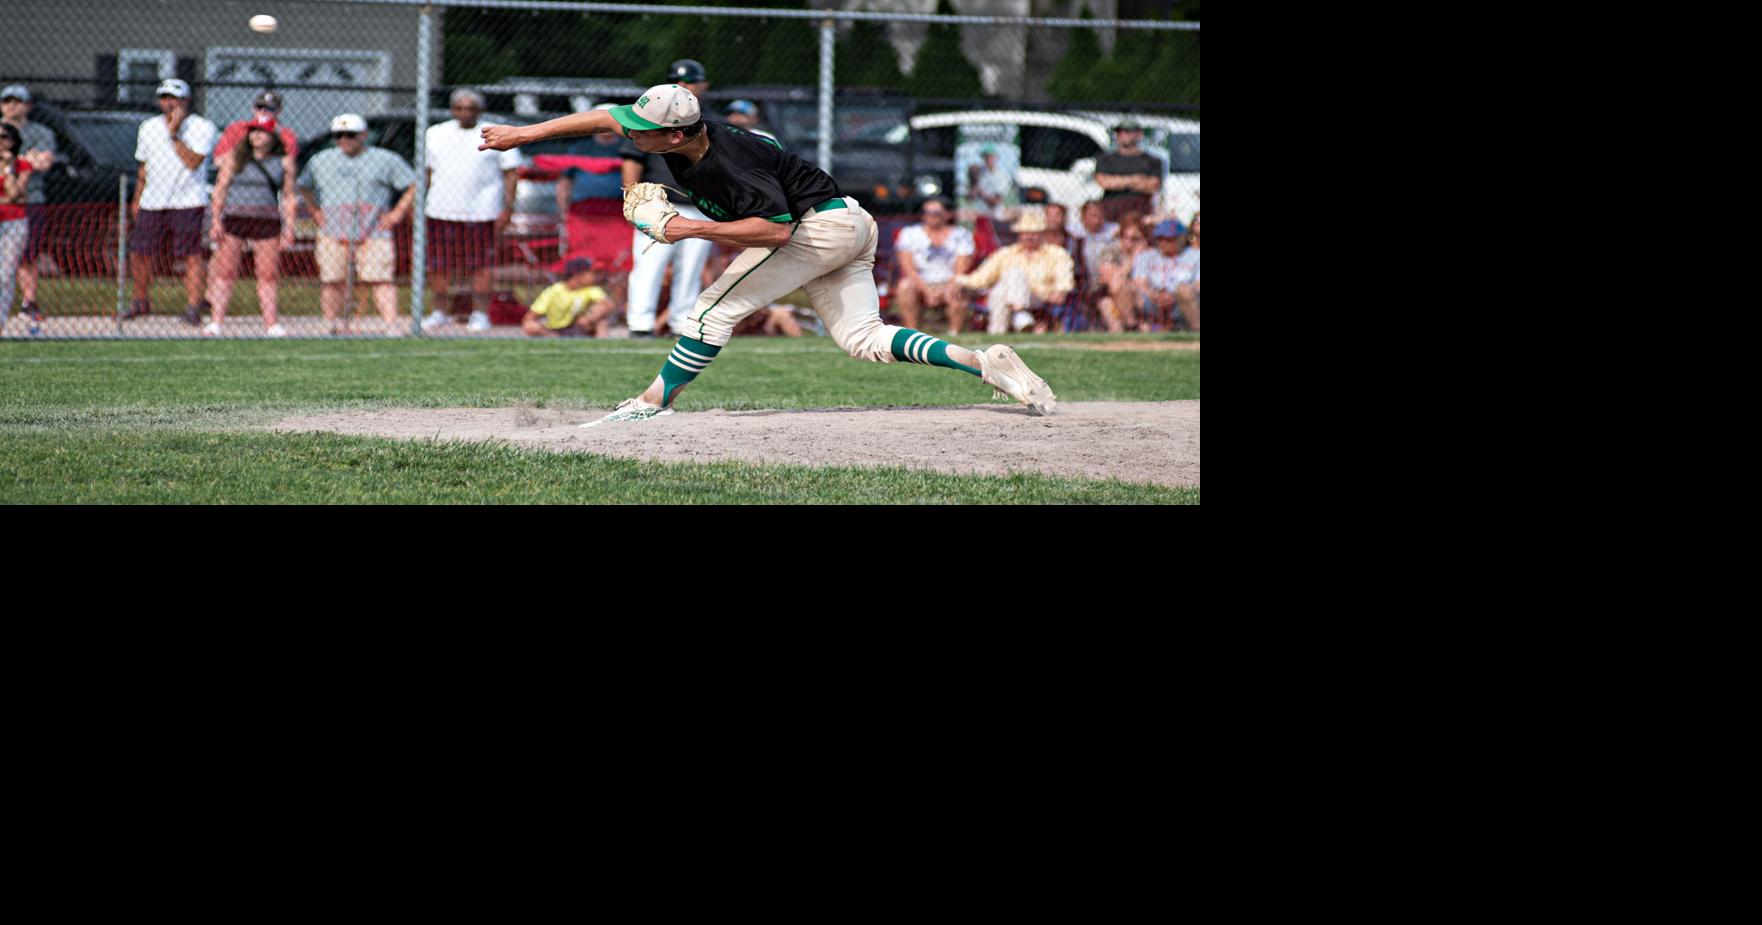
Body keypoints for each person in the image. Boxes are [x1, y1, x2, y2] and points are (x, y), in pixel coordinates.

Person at [477, 83, 1056, 424]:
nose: (631, 134)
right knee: (864, 339)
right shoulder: (693, 132)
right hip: (848, 221)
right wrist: (524, 135)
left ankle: (652, 403)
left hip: (814, 228)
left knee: (710, 311)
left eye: (643, 130)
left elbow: (775, 230)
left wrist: (684, 229)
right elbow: (606, 117)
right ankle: (984, 363)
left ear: (677, 135)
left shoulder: (729, 162)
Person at [620, 67, 717, 338]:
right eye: (678, 81)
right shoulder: (647, 116)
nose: (684, 85)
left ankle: (681, 323)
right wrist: (633, 198)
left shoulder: (707, 119)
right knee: (649, 264)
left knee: (691, 270)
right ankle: (640, 323)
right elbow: (632, 159)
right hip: (657, 205)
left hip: (699, 205)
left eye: (690, 81)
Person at [297, 113, 417, 334]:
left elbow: (413, 185)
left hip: (374, 229)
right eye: (338, 135)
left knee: (380, 278)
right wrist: (314, 211)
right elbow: (303, 186)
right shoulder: (321, 160)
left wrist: (397, 213)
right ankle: (330, 323)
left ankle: (391, 325)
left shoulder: (385, 159)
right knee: (332, 279)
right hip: (332, 229)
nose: (344, 140)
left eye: (350, 135)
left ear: (364, 135)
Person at [422, 88, 520, 332]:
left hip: (482, 212)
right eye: (460, 108)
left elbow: (510, 174)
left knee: (481, 265)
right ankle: (440, 312)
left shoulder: (495, 132)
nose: (464, 113)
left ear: (479, 110)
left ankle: (480, 314)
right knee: (439, 265)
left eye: (470, 108)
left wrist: (508, 208)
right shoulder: (435, 133)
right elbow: (427, 172)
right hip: (441, 210)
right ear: (453, 110)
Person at [126, 79, 217, 326]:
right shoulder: (148, 127)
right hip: (153, 201)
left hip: (188, 201)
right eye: (164, 97)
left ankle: (193, 305)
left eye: (174, 98)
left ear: (186, 101)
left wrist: (174, 134)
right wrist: (137, 198)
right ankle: (140, 300)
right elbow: (143, 167)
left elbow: (193, 161)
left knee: (190, 255)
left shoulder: (202, 127)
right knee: (140, 252)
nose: (169, 103)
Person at [205, 112, 297, 336]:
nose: (257, 136)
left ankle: (271, 323)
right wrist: (216, 220)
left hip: (266, 221)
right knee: (226, 271)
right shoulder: (234, 158)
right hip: (236, 219)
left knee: (267, 274)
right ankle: (216, 321)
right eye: (254, 131)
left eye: (263, 132)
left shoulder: (283, 163)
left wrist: (289, 227)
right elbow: (220, 190)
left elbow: (288, 197)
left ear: (273, 136)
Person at [953, 209, 1074, 335]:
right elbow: (982, 277)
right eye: (1025, 232)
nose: (1029, 236)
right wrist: (957, 280)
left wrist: (1061, 290)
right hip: (1005, 298)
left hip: (1040, 297)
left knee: (1013, 275)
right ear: (1019, 234)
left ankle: (1001, 329)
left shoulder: (1056, 253)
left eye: (1034, 233)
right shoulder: (1006, 253)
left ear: (1042, 234)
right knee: (1000, 290)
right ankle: (1019, 319)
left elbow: (1064, 278)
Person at [2, 84, 57, 327]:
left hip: (28, 202)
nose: (12, 106)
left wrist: (15, 161)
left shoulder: (40, 132)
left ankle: (28, 302)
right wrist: (26, 159)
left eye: (18, 101)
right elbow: (30, 162)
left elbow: (44, 163)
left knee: (27, 254)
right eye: (7, 101)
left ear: (28, 106)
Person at [892, 197, 974, 334]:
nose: (930, 216)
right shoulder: (910, 233)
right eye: (926, 212)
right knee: (905, 287)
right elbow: (908, 267)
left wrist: (950, 286)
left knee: (958, 288)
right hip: (920, 282)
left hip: (948, 281)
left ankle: (954, 334)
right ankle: (913, 334)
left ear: (947, 215)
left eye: (935, 213)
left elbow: (962, 267)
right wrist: (926, 290)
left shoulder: (961, 235)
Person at [523, 256, 619, 337]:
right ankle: (554, 339)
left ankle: (600, 346)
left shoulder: (591, 290)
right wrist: (538, 327)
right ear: (579, 276)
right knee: (530, 326)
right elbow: (530, 317)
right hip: (555, 330)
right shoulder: (554, 291)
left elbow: (608, 304)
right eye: (592, 273)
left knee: (601, 317)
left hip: (579, 328)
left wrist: (589, 317)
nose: (595, 276)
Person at [1, 123, 34, 333]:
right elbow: (14, 197)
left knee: (4, 275)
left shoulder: (22, 165)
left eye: (4, 137)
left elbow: (15, 194)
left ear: (13, 141)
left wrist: (7, 168)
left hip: (13, 223)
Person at [1094, 119, 1162, 222]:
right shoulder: (1105, 159)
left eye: (1128, 131)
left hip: (1140, 210)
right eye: (1120, 132)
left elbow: (1153, 186)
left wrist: (1117, 181)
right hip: (1111, 210)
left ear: (1139, 134)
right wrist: (1136, 179)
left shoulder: (1152, 160)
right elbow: (1104, 182)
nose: (1123, 135)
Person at [1094, 215, 1150, 332]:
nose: (1130, 242)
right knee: (1108, 303)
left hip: (1141, 297)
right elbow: (1112, 281)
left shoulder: (1150, 254)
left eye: (1135, 238)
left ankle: (1133, 325)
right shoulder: (1111, 251)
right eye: (1126, 237)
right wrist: (1133, 259)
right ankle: (1132, 324)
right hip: (1113, 298)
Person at [212, 89, 299, 160]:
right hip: (237, 173)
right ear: (253, 109)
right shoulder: (237, 128)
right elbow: (218, 159)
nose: (263, 111)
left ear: (279, 111)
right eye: (259, 107)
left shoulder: (286, 134)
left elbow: (288, 162)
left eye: (270, 108)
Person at [1172, 211, 1200, 332]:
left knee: (1184, 290)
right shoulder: (1184, 252)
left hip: (1194, 296)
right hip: (1176, 296)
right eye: (1197, 221)